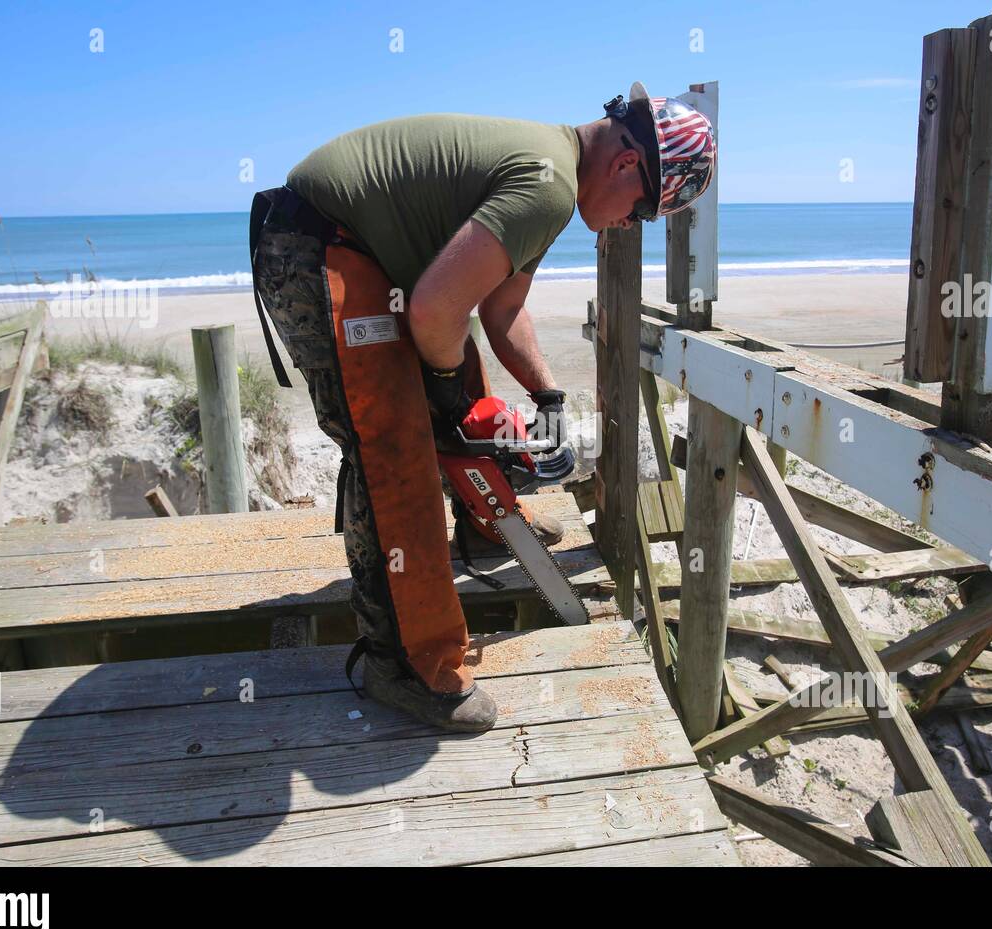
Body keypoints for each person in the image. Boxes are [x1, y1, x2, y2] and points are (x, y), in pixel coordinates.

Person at [250, 83, 715, 732]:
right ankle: (410, 667)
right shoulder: (547, 185)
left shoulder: (553, 176)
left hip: (353, 246)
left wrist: (547, 396)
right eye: (641, 211)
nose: (630, 223)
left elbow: (501, 310)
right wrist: (439, 391)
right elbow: (436, 310)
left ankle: (486, 521)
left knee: (459, 375)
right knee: (396, 448)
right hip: (315, 245)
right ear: (627, 163)